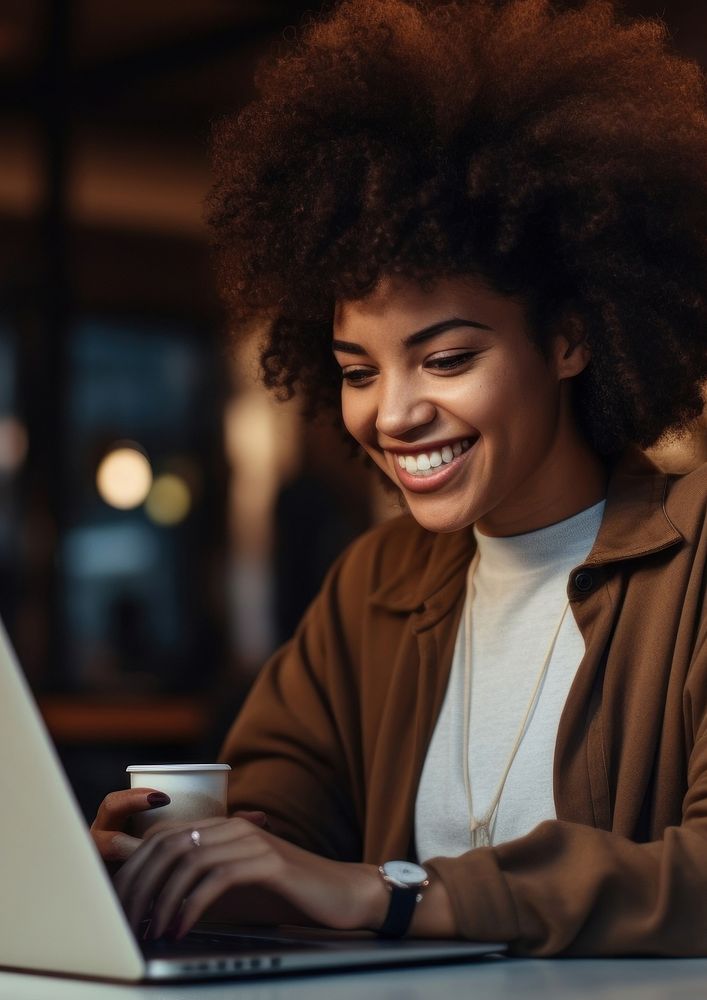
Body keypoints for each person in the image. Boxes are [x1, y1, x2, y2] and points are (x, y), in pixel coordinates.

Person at [90, 0, 707, 955]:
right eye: (357, 371)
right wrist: (182, 862)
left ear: (571, 338)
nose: (392, 413)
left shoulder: (696, 554)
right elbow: (278, 836)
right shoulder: (376, 585)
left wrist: (392, 893)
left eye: (447, 358)